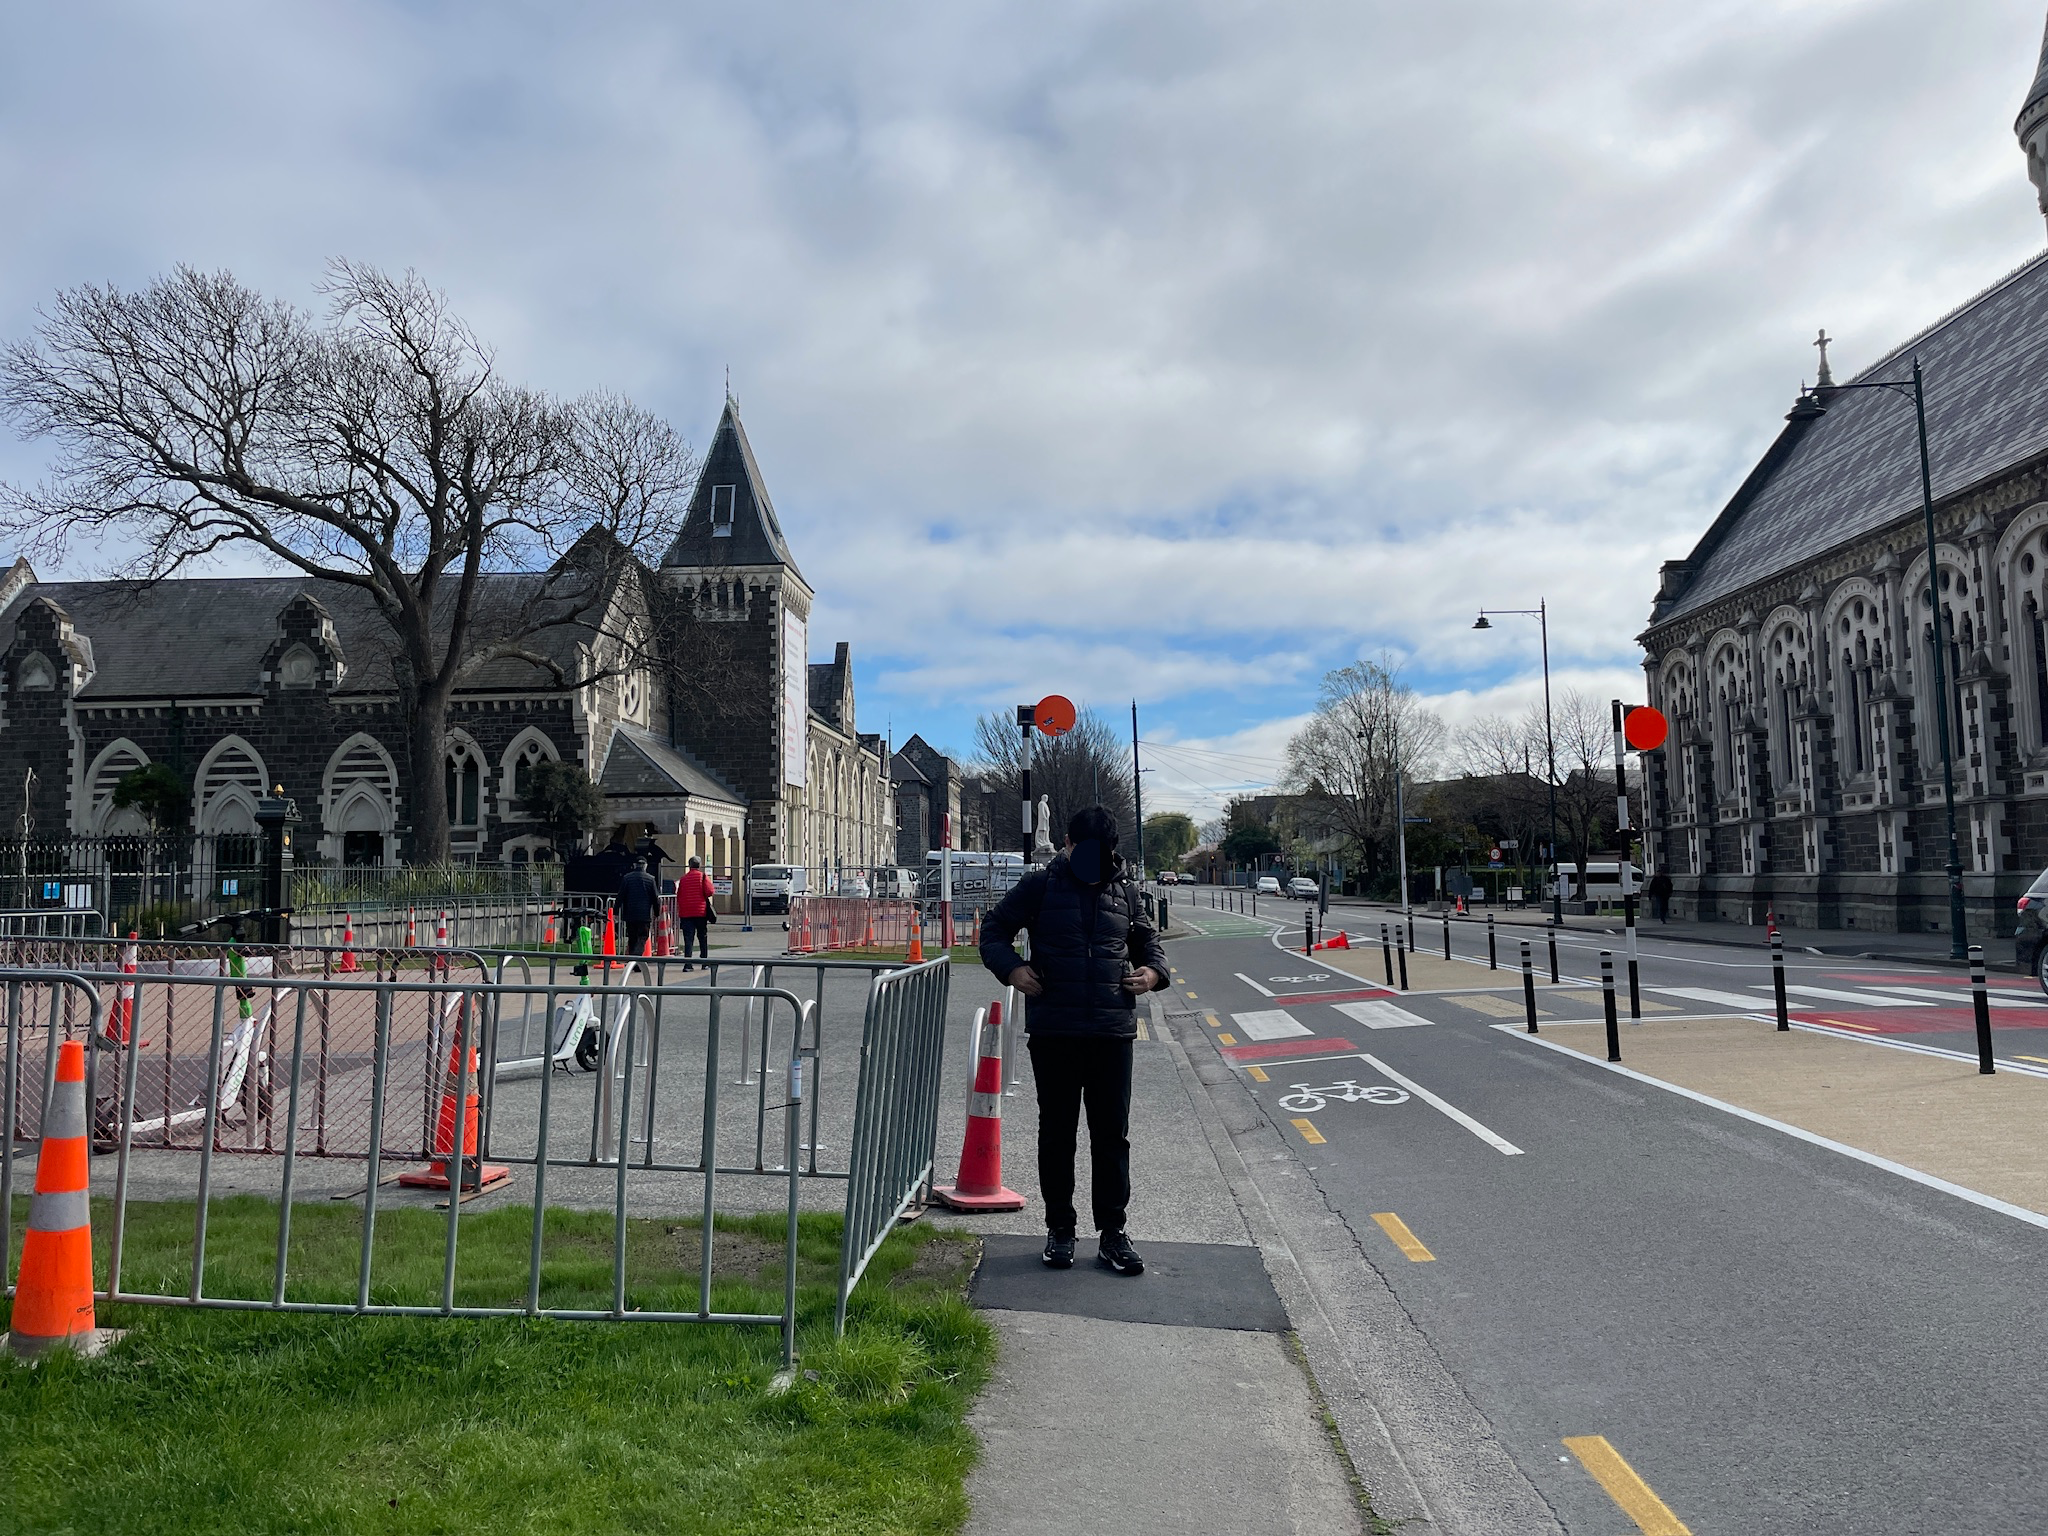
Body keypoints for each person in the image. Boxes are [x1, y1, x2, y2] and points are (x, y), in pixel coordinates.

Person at [980, 805, 1169, 1277]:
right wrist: (1013, 969)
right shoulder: (1040, 886)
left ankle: (1113, 1234)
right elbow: (993, 931)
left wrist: (1152, 973)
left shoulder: (1127, 892)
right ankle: (1060, 1229)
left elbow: (1150, 944)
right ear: (1067, 845)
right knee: (1057, 1134)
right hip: (1055, 1031)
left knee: (1111, 1137)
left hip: (1111, 1032)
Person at [674, 855, 714, 970]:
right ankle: (704, 962)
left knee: (688, 938)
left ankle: (688, 964)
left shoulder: (683, 879)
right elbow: (710, 891)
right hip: (700, 912)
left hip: (686, 913)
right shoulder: (703, 877)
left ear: (689, 865)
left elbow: (679, 895)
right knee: (702, 937)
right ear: (699, 865)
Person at [618, 857, 660, 956]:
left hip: (630, 914)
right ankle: (636, 957)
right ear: (645, 866)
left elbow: (620, 896)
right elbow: (655, 898)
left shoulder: (627, 878)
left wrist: (615, 911)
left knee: (632, 937)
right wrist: (657, 912)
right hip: (644, 915)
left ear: (634, 865)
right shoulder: (650, 879)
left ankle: (632, 958)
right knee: (642, 937)